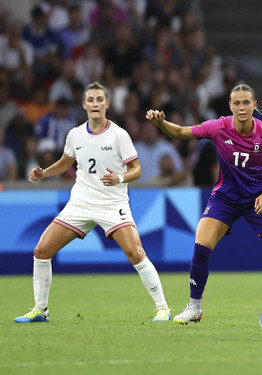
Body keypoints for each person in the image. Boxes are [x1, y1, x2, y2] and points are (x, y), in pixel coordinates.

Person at [145, 84, 262, 325]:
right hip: (225, 198)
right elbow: (180, 132)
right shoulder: (218, 126)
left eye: (246, 102)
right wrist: (161, 123)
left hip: (257, 200)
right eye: (237, 103)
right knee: (201, 245)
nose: (241, 107)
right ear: (230, 106)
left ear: (254, 104)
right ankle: (194, 307)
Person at [14, 82, 171, 323]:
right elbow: (67, 162)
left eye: (100, 100)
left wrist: (119, 178)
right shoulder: (75, 134)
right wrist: (44, 173)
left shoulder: (119, 135)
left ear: (107, 104)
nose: (95, 104)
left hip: (112, 204)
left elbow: (136, 169)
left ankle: (163, 308)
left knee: (135, 252)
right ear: (84, 104)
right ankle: (40, 310)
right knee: (41, 251)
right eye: (91, 100)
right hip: (81, 203)